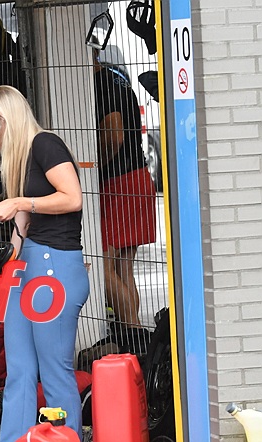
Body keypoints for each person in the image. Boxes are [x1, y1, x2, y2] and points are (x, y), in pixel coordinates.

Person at [0, 85, 89, 442]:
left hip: (56, 264)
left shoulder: (45, 144)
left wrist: (21, 202)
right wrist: (8, 254)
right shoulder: (19, 160)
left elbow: (73, 198)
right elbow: (22, 226)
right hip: (30, 263)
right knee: (19, 366)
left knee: (54, 368)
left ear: (3, 121)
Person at [94, 53, 156, 354]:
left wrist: (95, 168)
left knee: (102, 267)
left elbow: (114, 134)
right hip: (139, 177)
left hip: (120, 183)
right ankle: (133, 335)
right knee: (123, 267)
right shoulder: (119, 81)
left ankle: (133, 332)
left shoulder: (100, 85)